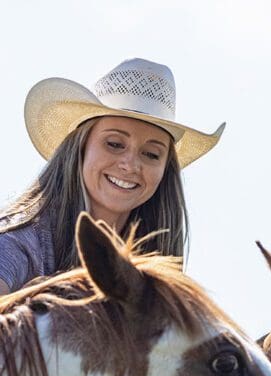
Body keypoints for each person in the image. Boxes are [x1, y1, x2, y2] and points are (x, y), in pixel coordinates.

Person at [0, 58, 225, 295]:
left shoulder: (152, 286)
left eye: (151, 154)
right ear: (81, 146)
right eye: (115, 144)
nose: (130, 165)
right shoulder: (16, 243)